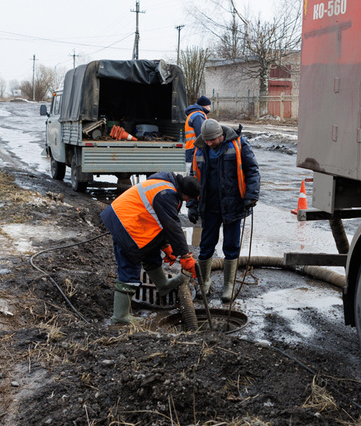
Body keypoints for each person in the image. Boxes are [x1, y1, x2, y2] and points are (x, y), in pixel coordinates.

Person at [100, 172, 200, 324]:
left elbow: (158, 220)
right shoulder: (167, 194)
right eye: (189, 199)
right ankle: (120, 317)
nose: (187, 202)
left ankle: (163, 285)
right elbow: (172, 225)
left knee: (151, 252)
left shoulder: (168, 185)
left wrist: (165, 245)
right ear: (186, 194)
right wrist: (185, 256)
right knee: (130, 266)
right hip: (126, 225)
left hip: (133, 220)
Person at [187, 119, 260, 303]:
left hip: (233, 204)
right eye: (207, 140)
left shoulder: (239, 144)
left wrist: (251, 196)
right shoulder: (200, 149)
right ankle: (204, 282)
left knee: (231, 246)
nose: (210, 143)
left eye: (212, 140)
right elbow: (193, 178)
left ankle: (228, 285)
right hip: (209, 206)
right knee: (206, 246)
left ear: (221, 135)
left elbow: (252, 170)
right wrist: (192, 205)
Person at [184, 96, 212, 164]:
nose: (210, 109)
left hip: (191, 148)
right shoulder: (198, 116)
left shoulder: (193, 114)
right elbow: (201, 135)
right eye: (209, 106)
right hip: (196, 149)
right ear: (204, 106)